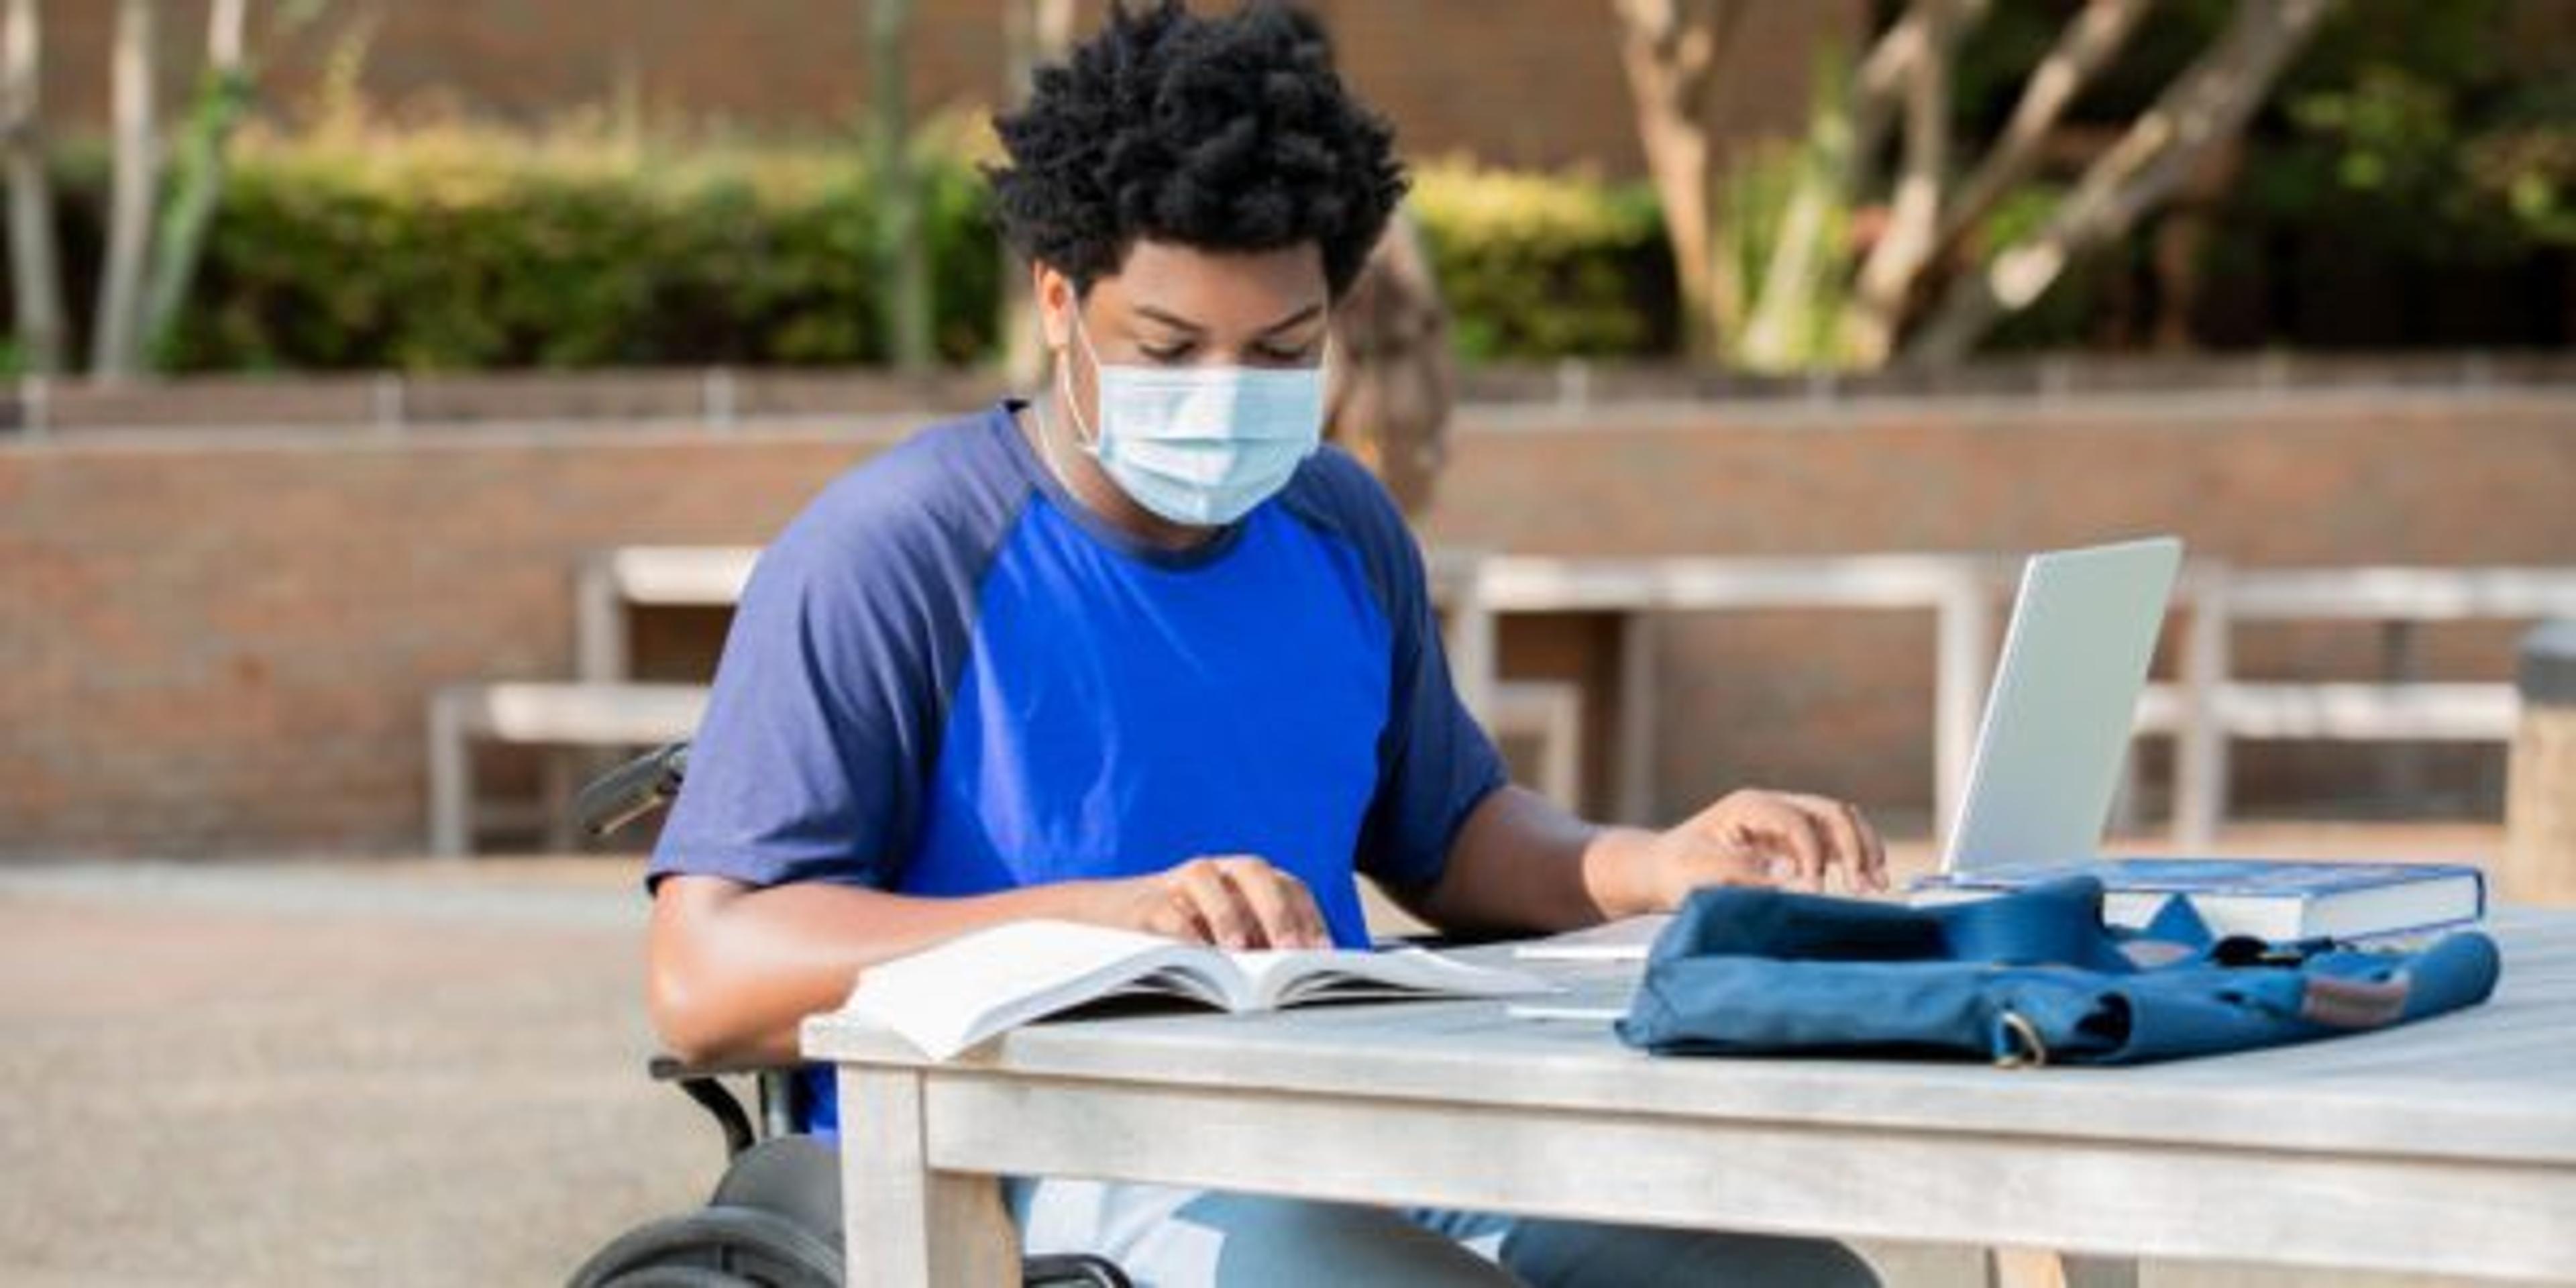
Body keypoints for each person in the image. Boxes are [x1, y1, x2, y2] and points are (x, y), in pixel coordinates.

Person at [646, 3, 1886, 1283]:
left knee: (1779, 1272)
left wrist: (1660, 864)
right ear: (1060, 300)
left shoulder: (1337, 521)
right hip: (1015, 1165)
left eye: (1283, 349)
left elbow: (1448, 838)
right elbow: (706, 976)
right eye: (1170, 347)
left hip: (1338, 1129)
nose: (1227, 392)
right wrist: (1108, 923)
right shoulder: (891, 552)